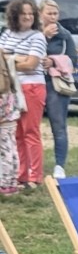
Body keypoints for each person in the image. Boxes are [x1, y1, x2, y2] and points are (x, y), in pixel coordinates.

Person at [0, 0, 47, 189]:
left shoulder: (37, 36)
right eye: (24, 13)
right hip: (12, 88)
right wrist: (17, 58)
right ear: (15, 15)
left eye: (31, 13)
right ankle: (20, 174)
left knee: (30, 132)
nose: (28, 17)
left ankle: (35, 176)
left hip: (32, 87)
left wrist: (9, 59)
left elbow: (31, 65)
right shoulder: (6, 33)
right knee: (16, 133)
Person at [39, 0, 76, 181]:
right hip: (34, 83)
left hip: (56, 84)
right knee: (29, 128)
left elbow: (73, 60)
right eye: (49, 13)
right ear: (40, 15)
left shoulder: (65, 35)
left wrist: (54, 61)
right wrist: (43, 36)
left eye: (55, 14)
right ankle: (32, 165)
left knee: (58, 125)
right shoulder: (33, 34)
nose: (53, 17)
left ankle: (60, 165)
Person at [0, 53, 19, 196]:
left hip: (3, 120)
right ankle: (12, 181)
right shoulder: (8, 79)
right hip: (11, 118)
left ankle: (5, 183)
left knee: (4, 153)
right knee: (11, 150)